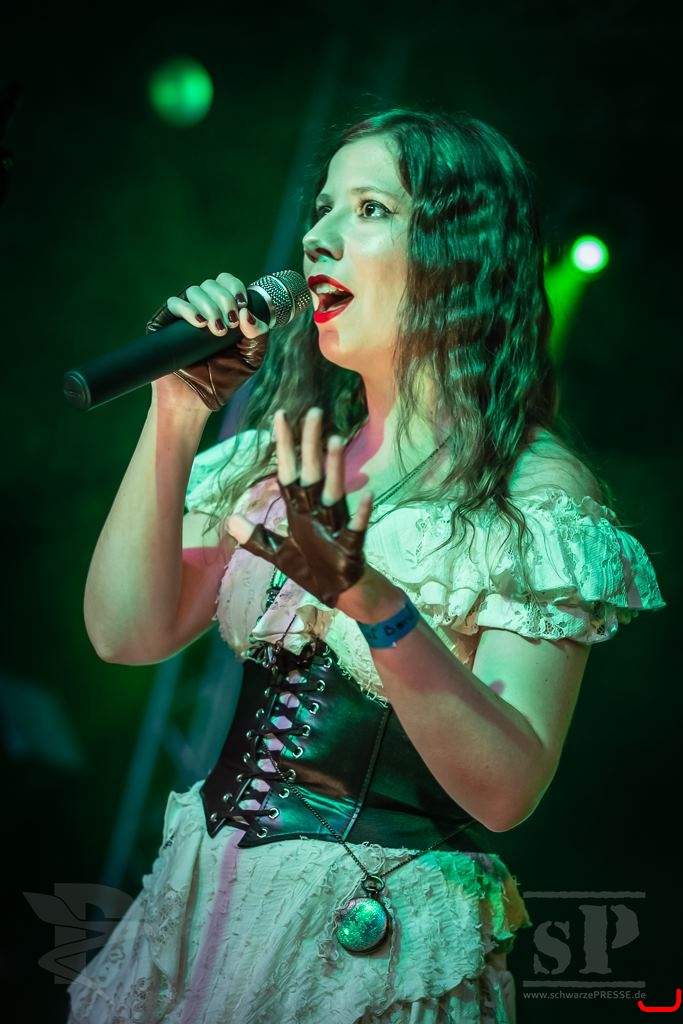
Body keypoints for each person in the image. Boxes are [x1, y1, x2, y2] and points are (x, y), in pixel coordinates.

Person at [66, 106, 664, 1024]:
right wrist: (176, 414)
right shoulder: (282, 460)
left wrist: (371, 600)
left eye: (370, 208)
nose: (319, 235)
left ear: (457, 253)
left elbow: (506, 789)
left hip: (369, 950)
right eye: (321, 208)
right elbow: (124, 632)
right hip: (201, 908)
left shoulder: (530, 496)